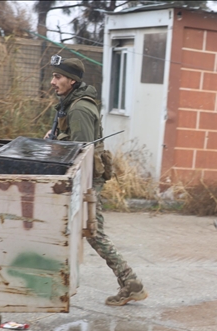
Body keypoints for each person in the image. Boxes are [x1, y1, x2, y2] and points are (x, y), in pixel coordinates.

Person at [47, 55, 147, 306]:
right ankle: (130, 283)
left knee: (94, 232)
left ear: (71, 80)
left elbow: (80, 151)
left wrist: (57, 141)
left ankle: (131, 283)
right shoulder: (72, 102)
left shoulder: (79, 108)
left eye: (57, 77)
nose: (52, 82)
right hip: (87, 176)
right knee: (85, 230)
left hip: (88, 178)